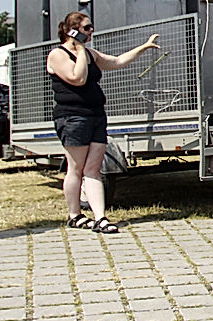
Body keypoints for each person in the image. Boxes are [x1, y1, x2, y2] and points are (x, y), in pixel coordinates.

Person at [46, 12, 160, 234]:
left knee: (93, 168)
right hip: (72, 117)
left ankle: (100, 218)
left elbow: (116, 61)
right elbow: (76, 78)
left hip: (95, 115)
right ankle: (75, 214)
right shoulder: (58, 55)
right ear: (73, 29)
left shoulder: (90, 54)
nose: (91, 32)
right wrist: (78, 50)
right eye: (87, 28)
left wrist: (144, 47)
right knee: (76, 168)